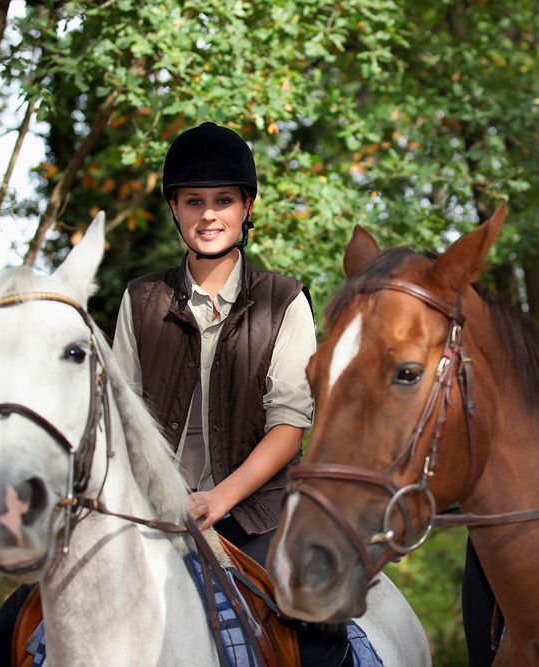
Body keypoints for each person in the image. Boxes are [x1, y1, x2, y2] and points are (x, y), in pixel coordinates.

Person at [110, 121, 351, 666]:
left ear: (246, 208)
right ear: (174, 208)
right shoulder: (140, 299)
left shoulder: (285, 301)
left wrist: (220, 498)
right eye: (194, 201)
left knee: (319, 623)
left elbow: (289, 428)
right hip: (152, 510)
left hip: (256, 511)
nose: (209, 215)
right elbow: (123, 417)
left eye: (223, 200)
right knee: (14, 620)